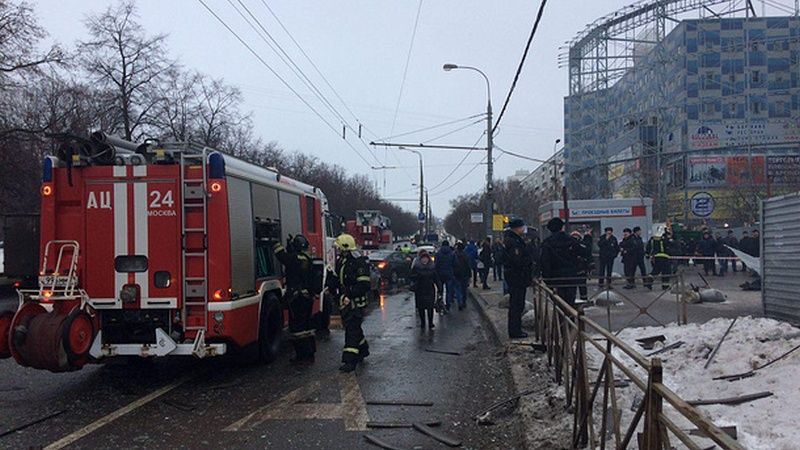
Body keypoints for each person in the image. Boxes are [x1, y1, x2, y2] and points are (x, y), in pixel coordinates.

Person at [274, 235, 317, 362]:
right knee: (307, 326)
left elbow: (282, 256)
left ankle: (302, 355)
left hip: (297, 298)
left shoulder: (295, 258)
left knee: (297, 328)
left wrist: (276, 243)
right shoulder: (307, 258)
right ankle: (310, 352)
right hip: (306, 297)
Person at [331, 234, 371, 373]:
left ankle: (349, 361)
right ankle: (363, 350)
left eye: (340, 248)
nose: (338, 250)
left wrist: (349, 293)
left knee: (351, 331)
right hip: (346, 301)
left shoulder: (359, 262)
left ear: (346, 248)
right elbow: (339, 279)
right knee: (354, 329)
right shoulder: (342, 261)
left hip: (355, 304)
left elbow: (364, 285)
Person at [540, 217, 582, 307]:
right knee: (570, 303)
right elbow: (579, 256)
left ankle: (562, 320)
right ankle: (570, 319)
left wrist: (546, 278)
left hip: (555, 278)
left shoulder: (547, 243)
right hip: (571, 277)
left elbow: (545, 262)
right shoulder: (572, 241)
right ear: (562, 227)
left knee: (559, 304)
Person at [503, 218, 533, 338]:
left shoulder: (513, 240)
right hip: (517, 277)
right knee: (517, 304)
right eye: (522, 227)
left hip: (516, 276)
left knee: (517, 304)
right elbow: (517, 260)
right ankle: (515, 331)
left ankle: (516, 329)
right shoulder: (514, 242)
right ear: (517, 228)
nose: (523, 229)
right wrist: (528, 261)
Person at [410, 250, 440, 330]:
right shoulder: (416, 267)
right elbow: (412, 277)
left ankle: (430, 322)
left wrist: (439, 288)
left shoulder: (432, 267)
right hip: (420, 289)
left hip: (429, 289)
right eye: (423, 258)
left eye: (426, 258)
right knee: (421, 307)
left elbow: (436, 278)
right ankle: (423, 322)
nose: (424, 260)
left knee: (430, 307)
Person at [434, 240, 455, 313]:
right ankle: (448, 305)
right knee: (449, 290)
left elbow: (435, 265)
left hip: (440, 275)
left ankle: (440, 304)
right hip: (449, 274)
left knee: (440, 290)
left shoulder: (438, 254)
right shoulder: (452, 254)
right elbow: (455, 264)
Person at [570, 231, 591, 301]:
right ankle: (572, 300)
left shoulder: (582, 244)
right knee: (572, 287)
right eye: (574, 236)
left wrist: (589, 268)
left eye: (577, 236)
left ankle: (584, 299)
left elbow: (588, 255)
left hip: (581, 268)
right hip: (572, 269)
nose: (575, 238)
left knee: (582, 286)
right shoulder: (569, 245)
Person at [453, 241, 472, 310]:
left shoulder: (454, 255)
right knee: (464, 289)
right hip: (464, 274)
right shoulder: (465, 255)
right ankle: (463, 301)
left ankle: (460, 302)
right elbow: (468, 266)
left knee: (458, 289)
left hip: (456, 274)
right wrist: (470, 275)